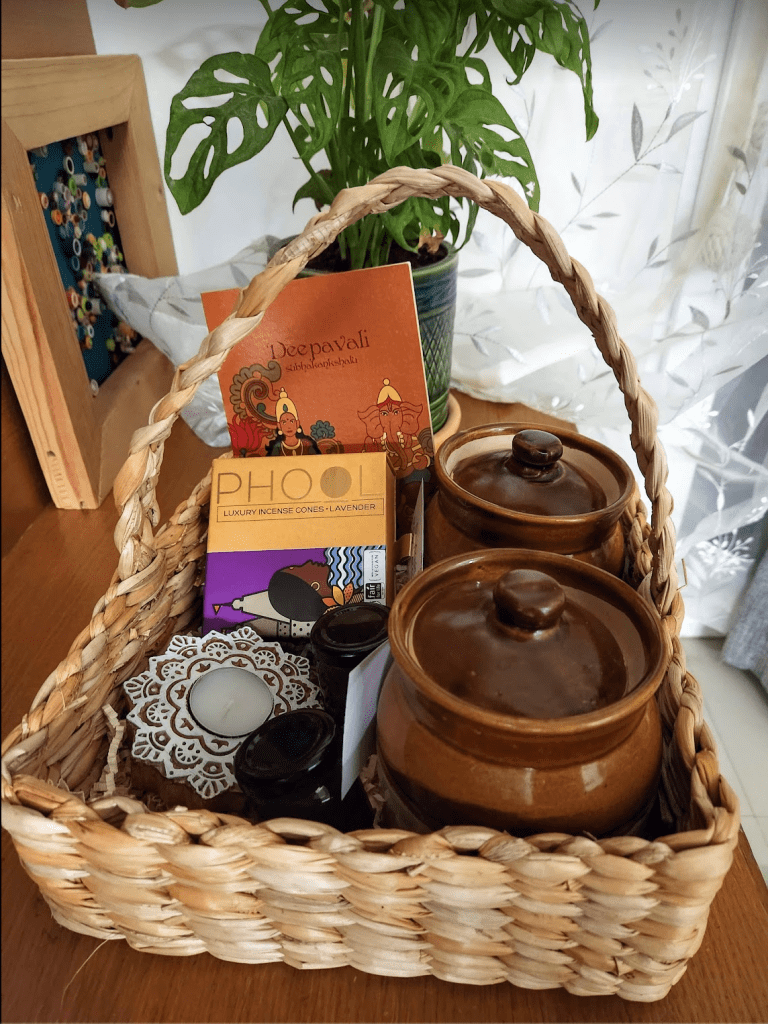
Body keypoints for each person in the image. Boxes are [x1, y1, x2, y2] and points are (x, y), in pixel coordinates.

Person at [266, 389, 321, 456]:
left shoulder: (307, 444)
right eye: (284, 422)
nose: (289, 426)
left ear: (297, 423)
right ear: (279, 425)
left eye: (292, 421)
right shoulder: (277, 448)